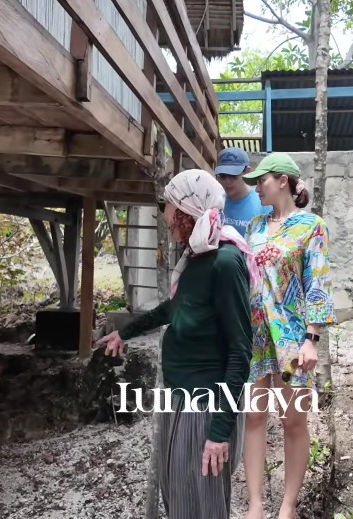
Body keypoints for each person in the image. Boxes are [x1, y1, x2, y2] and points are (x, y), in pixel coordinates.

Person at [95, 168, 260, 519]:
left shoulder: (225, 262)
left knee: (203, 504)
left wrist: (219, 431)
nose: (165, 216)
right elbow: (176, 308)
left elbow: (240, 351)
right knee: (181, 498)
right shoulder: (197, 258)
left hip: (207, 403)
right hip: (181, 396)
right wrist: (125, 332)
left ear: (187, 211)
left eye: (167, 207)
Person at [239, 153, 336, 519]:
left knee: (292, 420)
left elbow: (318, 284)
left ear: (282, 180)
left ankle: (288, 506)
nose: (256, 188)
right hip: (255, 337)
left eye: (260, 181)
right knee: (253, 418)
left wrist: (312, 339)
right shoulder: (255, 227)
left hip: (293, 339)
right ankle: (255, 504)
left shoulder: (311, 226)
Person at [215, 147, 272, 236]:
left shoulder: (264, 203)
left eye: (233, 176)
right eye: (223, 176)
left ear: (247, 172)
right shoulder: (214, 201)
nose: (227, 181)